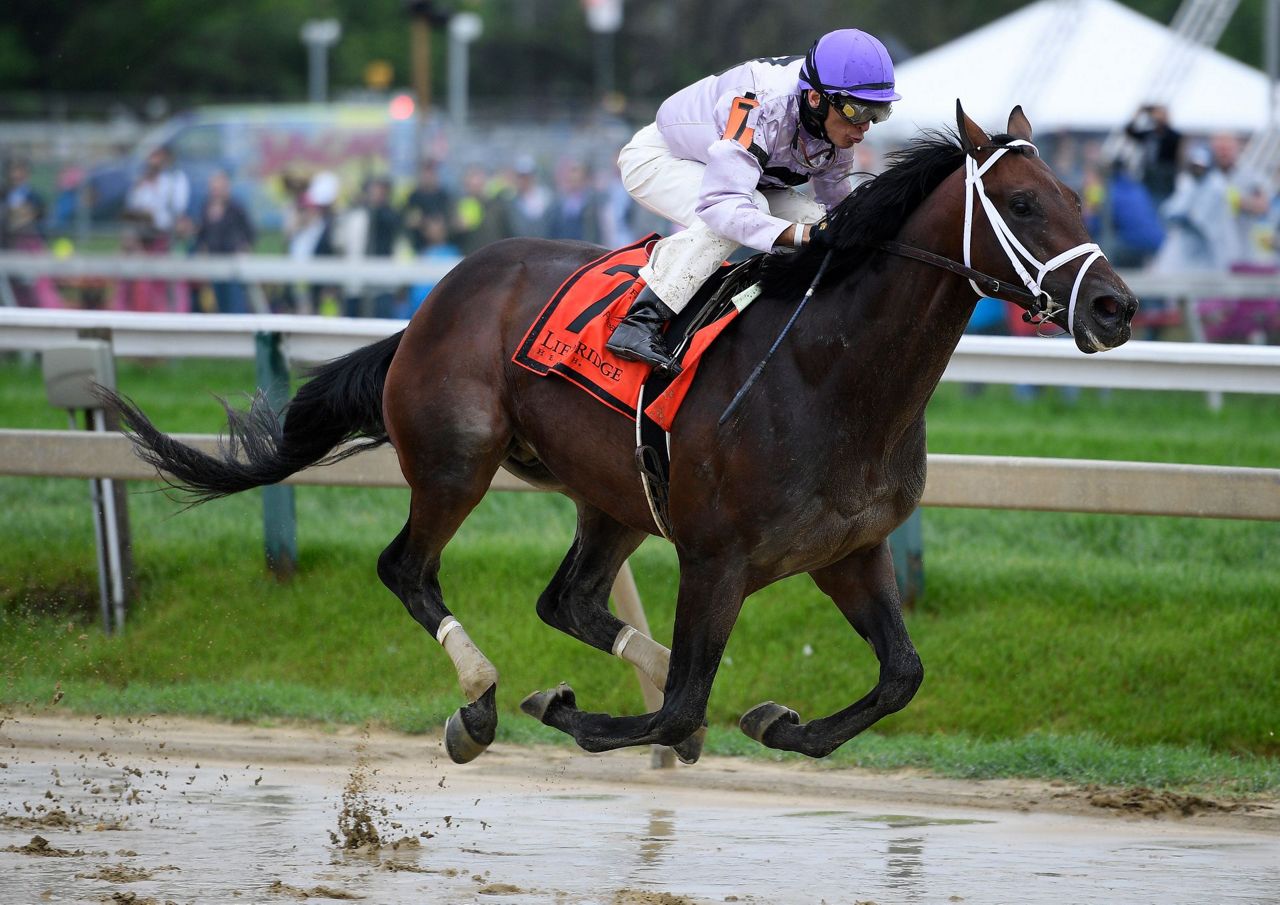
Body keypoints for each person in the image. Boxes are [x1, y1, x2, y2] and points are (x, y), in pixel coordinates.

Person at [605, 29, 899, 373]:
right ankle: (641, 319)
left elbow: (836, 206)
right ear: (816, 99)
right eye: (856, 111)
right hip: (662, 158)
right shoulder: (761, 105)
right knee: (747, 213)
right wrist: (804, 237)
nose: (864, 127)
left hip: (743, 176)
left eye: (878, 113)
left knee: (813, 217)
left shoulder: (834, 125)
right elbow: (723, 206)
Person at [119, 145, 192, 312]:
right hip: (144, 241)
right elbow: (133, 210)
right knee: (141, 285)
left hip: (165, 239)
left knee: (171, 283)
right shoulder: (139, 185)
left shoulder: (173, 181)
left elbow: (177, 210)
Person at [192, 170, 256, 314]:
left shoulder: (236, 207)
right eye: (213, 187)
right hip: (212, 261)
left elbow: (250, 231)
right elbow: (202, 234)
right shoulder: (206, 207)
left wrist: (243, 247)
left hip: (232, 261)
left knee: (235, 302)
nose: (215, 191)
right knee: (216, 302)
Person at [1125, 104, 1182, 207]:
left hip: (1165, 183)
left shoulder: (1174, 136)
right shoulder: (1149, 135)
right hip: (1149, 179)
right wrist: (1138, 113)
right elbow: (1129, 131)